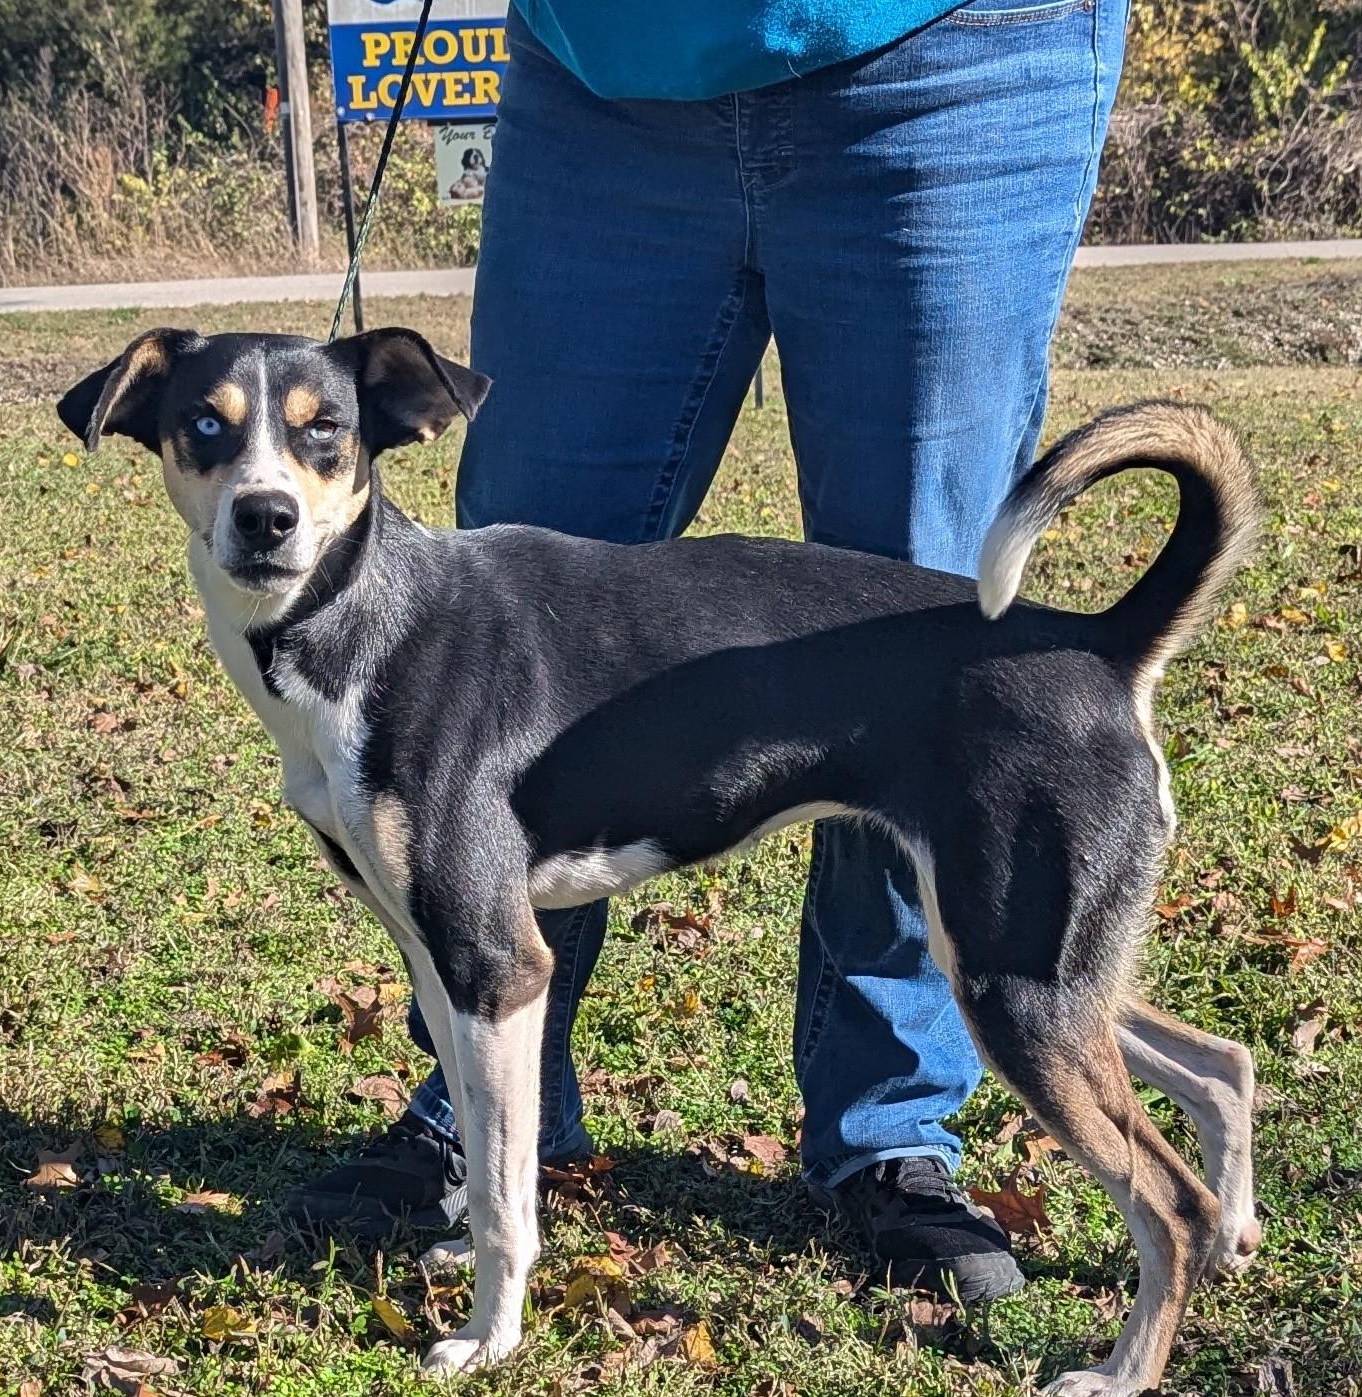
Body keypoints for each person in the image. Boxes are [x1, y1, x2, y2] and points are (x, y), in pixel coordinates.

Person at [297, 0, 1129, 1304]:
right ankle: (482, 1107)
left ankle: (887, 1132)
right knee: (500, 621)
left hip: (954, 57)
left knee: (922, 657)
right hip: (606, 71)